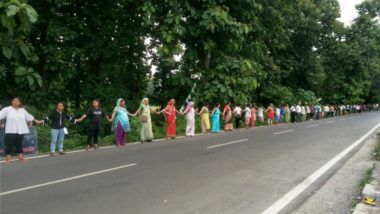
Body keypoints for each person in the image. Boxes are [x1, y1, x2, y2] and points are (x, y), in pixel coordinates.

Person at [0, 97, 44, 164]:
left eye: (16, 101)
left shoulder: (22, 110)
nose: (14, 102)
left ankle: (20, 157)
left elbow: (29, 117)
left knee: (19, 144)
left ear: (20, 103)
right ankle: (8, 159)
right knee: (9, 145)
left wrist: (37, 121)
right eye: (13, 100)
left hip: (20, 130)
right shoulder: (7, 109)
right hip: (10, 130)